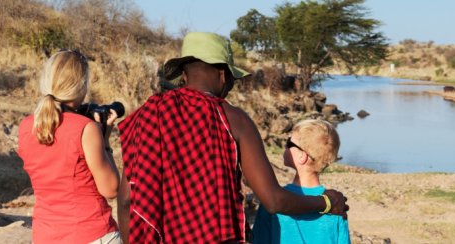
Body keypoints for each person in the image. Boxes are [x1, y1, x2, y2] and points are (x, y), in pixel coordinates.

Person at [117, 32, 348, 244]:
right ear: (223, 74)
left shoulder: (148, 115)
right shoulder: (234, 119)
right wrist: (327, 202)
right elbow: (273, 200)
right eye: (232, 80)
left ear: (184, 74)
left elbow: (126, 200)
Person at [18, 50, 122, 244]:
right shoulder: (86, 128)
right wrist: (105, 141)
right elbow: (111, 189)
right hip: (91, 233)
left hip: (44, 236)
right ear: (81, 86)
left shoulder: (26, 126)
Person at [252, 120, 349, 244]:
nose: (285, 145)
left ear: (302, 157)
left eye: (289, 142)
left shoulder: (273, 200)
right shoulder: (337, 205)